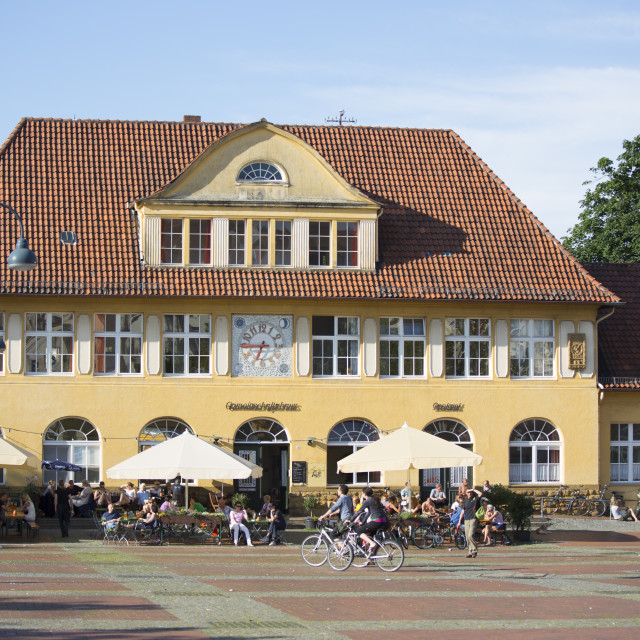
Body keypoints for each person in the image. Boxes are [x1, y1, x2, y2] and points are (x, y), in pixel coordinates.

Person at [348, 487, 388, 553]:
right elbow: (369, 512)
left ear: (364, 494)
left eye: (362, 493)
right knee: (370, 537)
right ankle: (371, 559)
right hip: (384, 520)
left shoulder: (368, 501)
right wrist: (363, 522)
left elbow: (359, 512)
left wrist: (350, 520)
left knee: (359, 531)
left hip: (377, 521)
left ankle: (372, 544)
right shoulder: (374, 499)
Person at [462, 487, 483, 558]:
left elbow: (480, 494)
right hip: (466, 519)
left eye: (470, 492)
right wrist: (459, 521)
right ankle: (470, 551)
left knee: (471, 534)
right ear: (466, 493)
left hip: (473, 519)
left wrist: (473, 489)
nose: (469, 493)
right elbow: (463, 510)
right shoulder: (465, 501)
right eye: (468, 492)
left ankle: (474, 550)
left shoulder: (475, 499)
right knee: (467, 536)